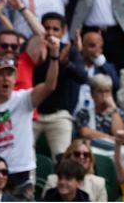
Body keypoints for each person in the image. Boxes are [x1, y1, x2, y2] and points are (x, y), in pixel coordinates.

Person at [0, 36, 60, 199]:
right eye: (0, 74)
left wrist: (54, 56)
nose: (5, 78)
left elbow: (50, 86)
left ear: (15, 79)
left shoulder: (24, 99)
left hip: (21, 171)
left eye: (9, 74)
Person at [33, 12, 87, 160]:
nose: (50, 32)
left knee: (63, 162)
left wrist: (64, 63)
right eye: (47, 28)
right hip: (32, 114)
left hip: (59, 115)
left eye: (55, 29)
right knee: (23, 159)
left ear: (63, 31)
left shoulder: (70, 51)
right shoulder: (33, 49)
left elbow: (83, 77)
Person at [42, 139, 107, 202]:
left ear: (90, 159)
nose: (81, 157)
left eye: (86, 154)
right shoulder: (52, 180)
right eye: (77, 154)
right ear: (68, 156)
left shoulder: (99, 183)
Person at [74, 74, 124, 151]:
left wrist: (114, 110)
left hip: (113, 153)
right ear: (92, 94)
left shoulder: (120, 114)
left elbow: (119, 134)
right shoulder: (83, 113)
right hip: (91, 152)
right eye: (100, 92)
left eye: (107, 91)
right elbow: (85, 132)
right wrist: (109, 138)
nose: (104, 95)